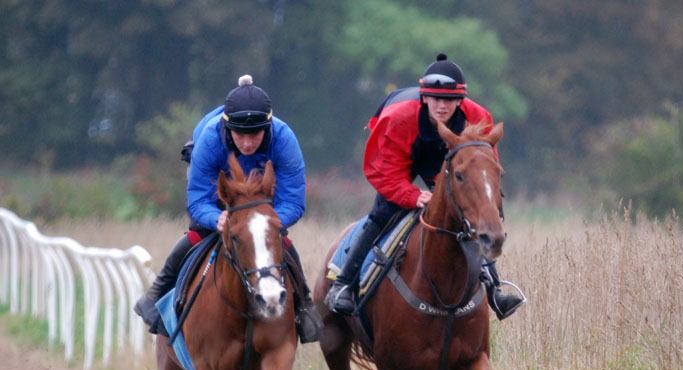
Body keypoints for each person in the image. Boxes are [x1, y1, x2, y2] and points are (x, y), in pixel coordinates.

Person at [325, 54, 525, 320]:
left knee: (473, 212)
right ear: (425, 98)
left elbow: (484, 171)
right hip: (401, 158)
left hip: (451, 158)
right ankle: (343, 286)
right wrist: (412, 195)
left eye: (450, 100)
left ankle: (495, 290)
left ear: (460, 101)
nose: (442, 106)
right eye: (436, 99)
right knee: (383, 212)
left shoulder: (477, 117)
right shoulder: (399, 118)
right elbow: (382, 171)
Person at [134, 75, 323, 343]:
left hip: (261, 200)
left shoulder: (284, 139)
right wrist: (216, 218)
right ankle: (155, 293)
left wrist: (269, 222)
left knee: (278, 241)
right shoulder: (211, 139)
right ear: (227, 128)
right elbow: (198, 200)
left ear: (268, 128)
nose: (248, 144)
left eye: (255, 135)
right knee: (199, 235)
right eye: (240, 135)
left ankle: (303, 304)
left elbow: (293, 200)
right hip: (216, 192)